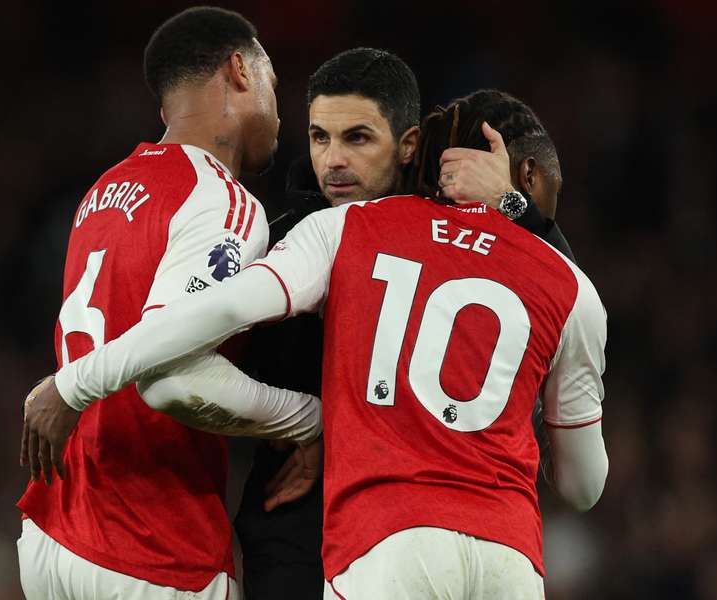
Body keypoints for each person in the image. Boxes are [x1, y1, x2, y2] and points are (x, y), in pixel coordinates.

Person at [26, 91, 610, 598]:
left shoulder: (348, 228)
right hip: (508, 555)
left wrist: (76, 381)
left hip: (384, 545)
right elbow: (584, 489)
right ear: (526, 180)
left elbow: (219, 309)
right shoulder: (571, 286)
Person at [237, 50, 577, 599]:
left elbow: (568, 296)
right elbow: (207, 368)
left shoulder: (451, 228)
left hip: (426, 526)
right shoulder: (287, 238)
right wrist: (307, 422)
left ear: (410, 144)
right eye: (320, 138)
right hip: (299, 523)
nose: (334, 161)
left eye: (358, 138)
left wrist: (512, 206)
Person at [16, 7, 324, 599]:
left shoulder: (105, 190)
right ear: (239, 69)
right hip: (153, 545)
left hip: (56, 530)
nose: (283, 115)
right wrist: (310, 420)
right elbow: (179, 385)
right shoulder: (224, 202)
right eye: (275, 87)